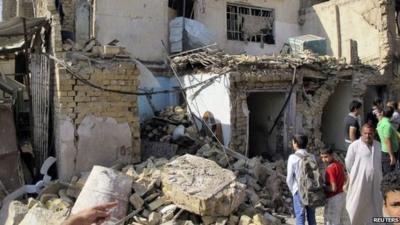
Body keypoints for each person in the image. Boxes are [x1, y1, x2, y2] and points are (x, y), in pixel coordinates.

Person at [345, 123, 383, 225]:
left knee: (375, 204)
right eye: (365, 133)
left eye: (370, 133)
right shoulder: (354, 146)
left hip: (376, 182)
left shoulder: (378, 145)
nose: (367, 136)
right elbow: (348, 164)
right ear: (361, 133)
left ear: (373, 133)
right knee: (356, 204)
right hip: (359, 182)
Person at [286, 134, 316, 225]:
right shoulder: (311, 156)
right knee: (311, 216)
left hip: (299, 190)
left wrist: (293, 190)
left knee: (300, 215)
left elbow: (289, 178)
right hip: (311, 189)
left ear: (295, 144)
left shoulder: (292, 157)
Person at [320, 148, 346, 225]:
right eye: (322, 157)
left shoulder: (330, 169)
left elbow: (333, 188)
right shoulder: (338, 164)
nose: (324, 160)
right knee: (339, 220)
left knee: (330, 221)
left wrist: (322, 187)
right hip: (341, 196)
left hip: (333, 198)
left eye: (326, 157)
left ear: (332, 155)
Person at [375, 107, 399, 175]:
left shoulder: (382, 122)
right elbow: (387, 141)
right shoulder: (387, 125)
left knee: (388, 172)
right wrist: (391, 156)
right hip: (389, 153)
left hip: (387, 151)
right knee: (389, 175)